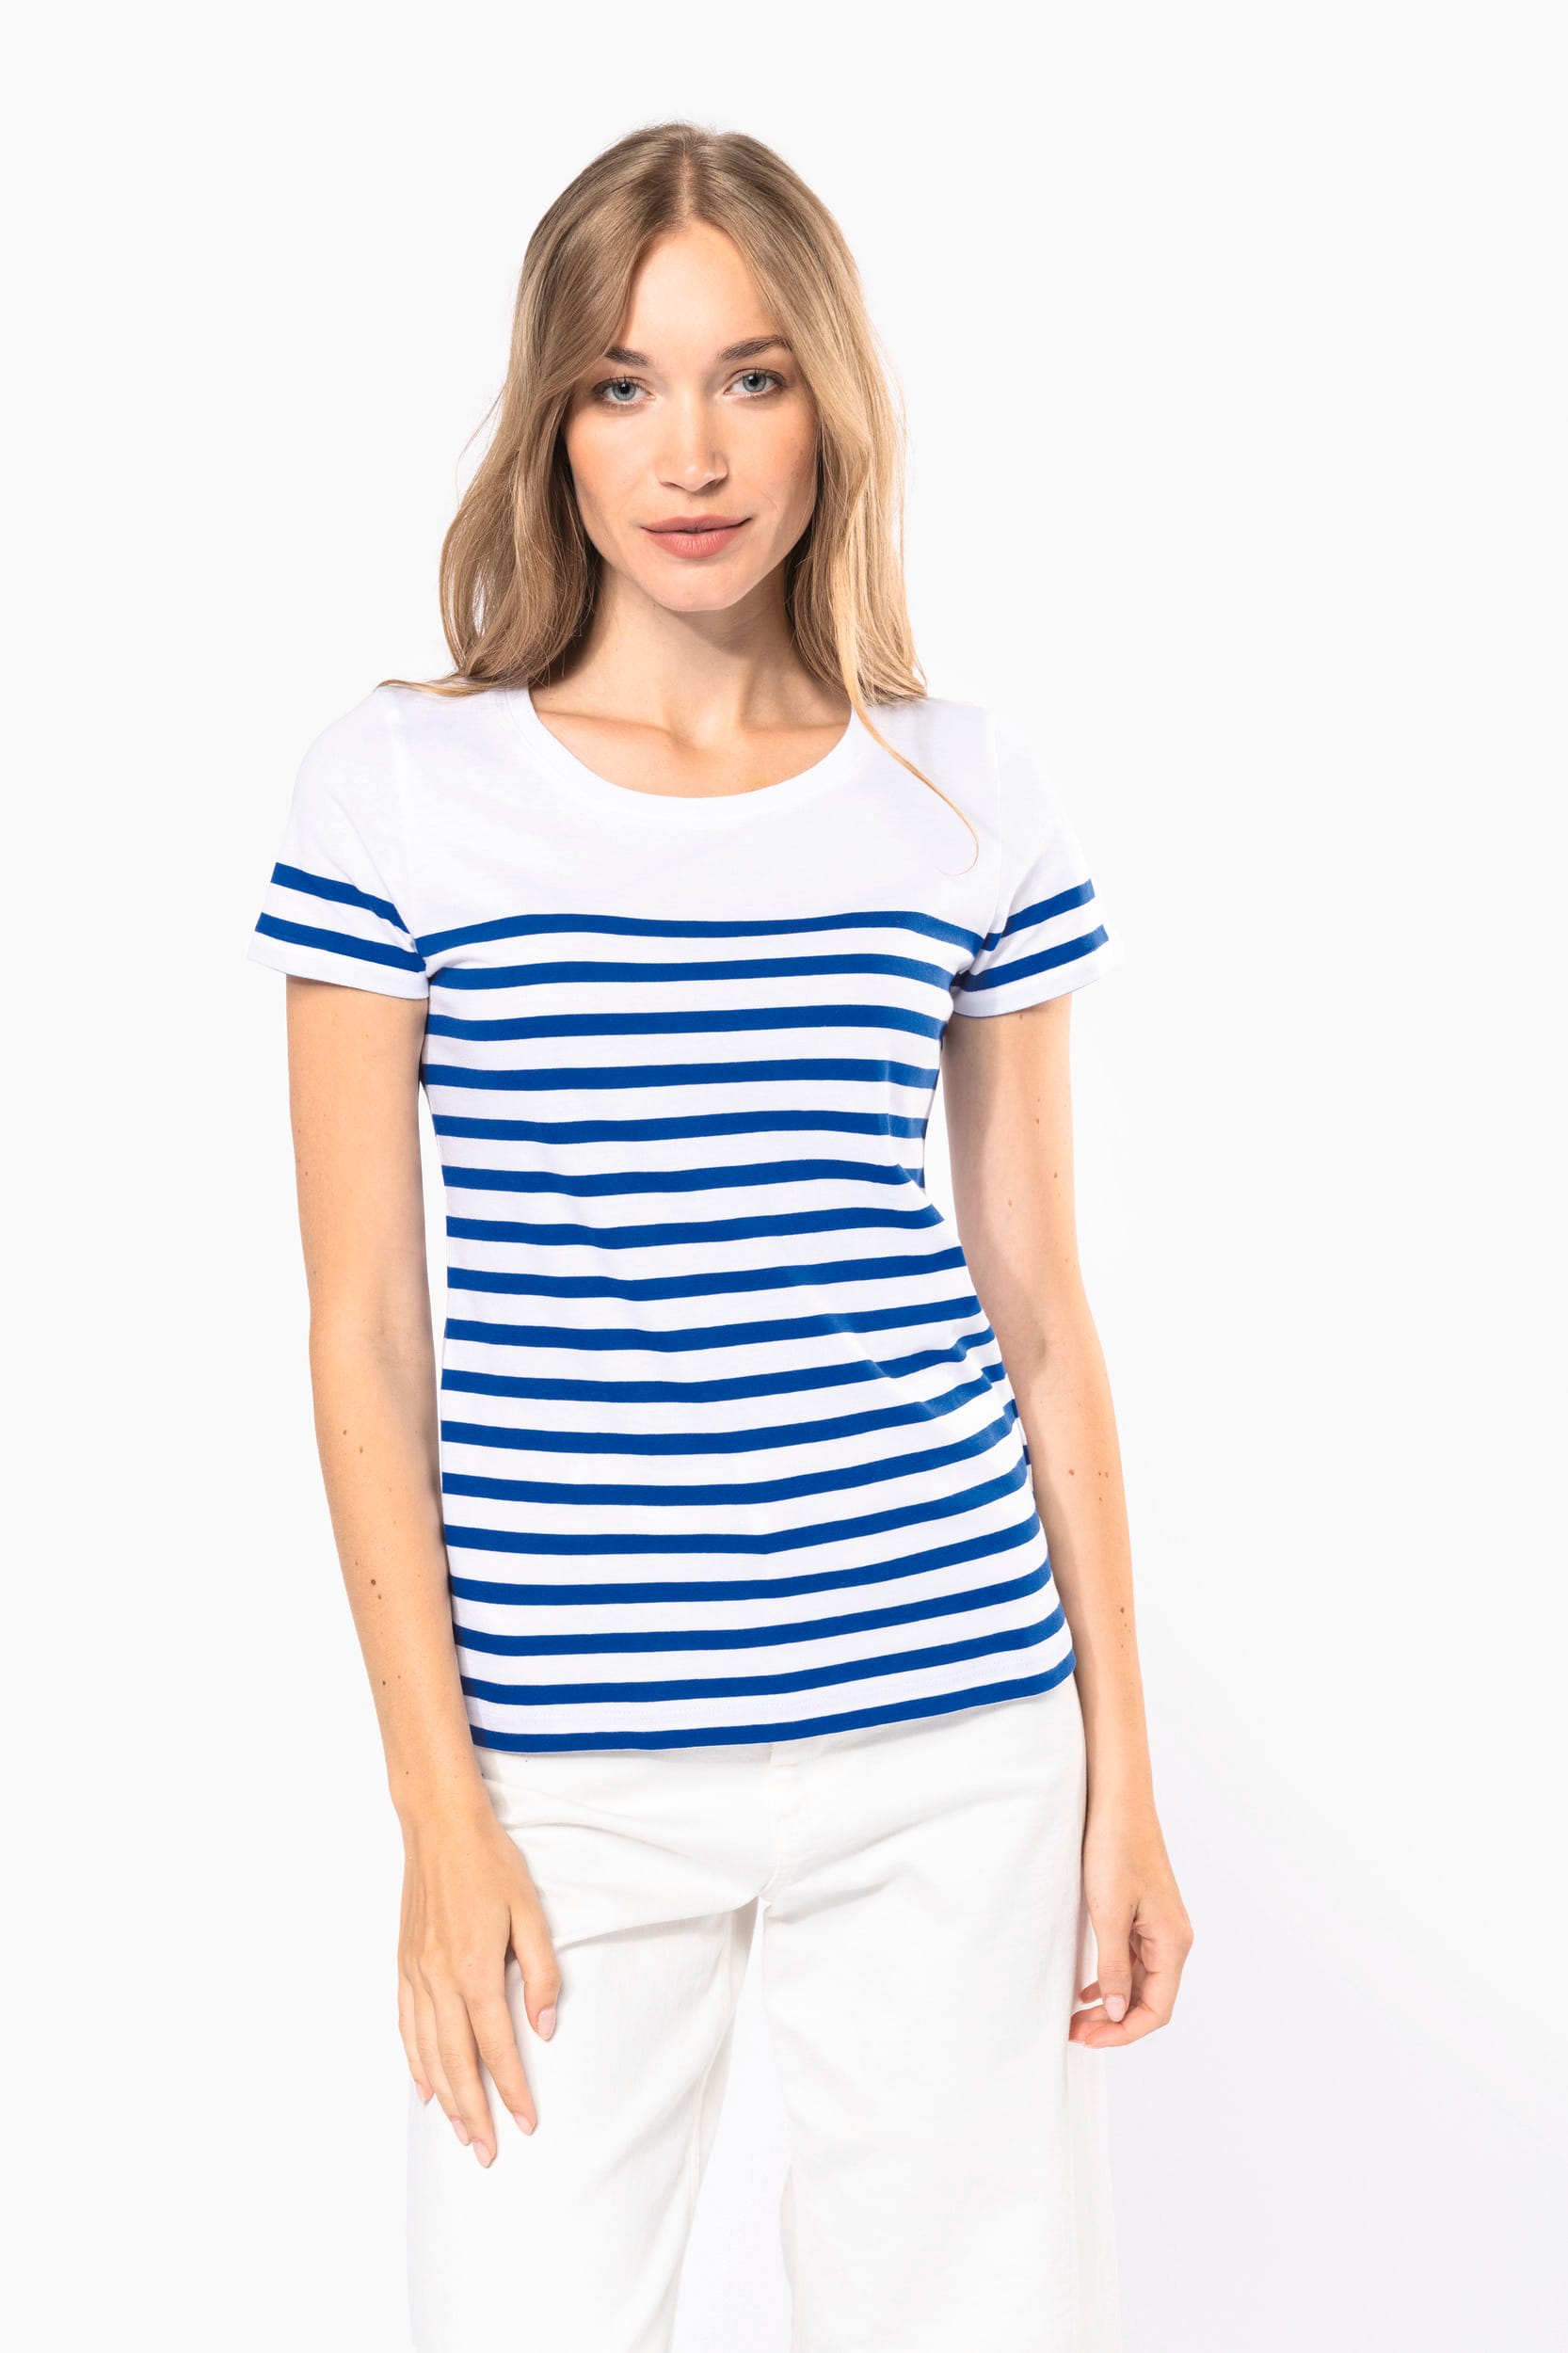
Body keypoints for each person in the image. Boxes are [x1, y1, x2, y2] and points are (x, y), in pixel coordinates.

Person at [248, 120, 1192, 2353]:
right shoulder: (401, 789)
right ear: (551, 421)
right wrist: (437, 1810)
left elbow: (1039, 1314)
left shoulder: (956, 787)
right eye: (622, 383)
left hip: (951, 1724)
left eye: (749, 376)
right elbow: (363, 1328)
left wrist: (1120, 1779)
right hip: (562, 1763)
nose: (689, 451)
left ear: (824, 405)